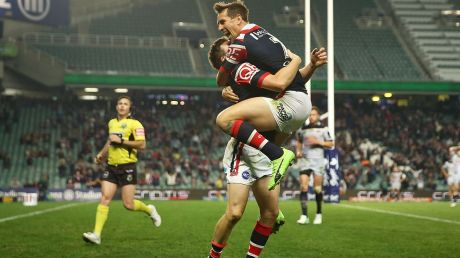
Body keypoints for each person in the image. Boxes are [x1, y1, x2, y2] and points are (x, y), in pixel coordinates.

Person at [208, 37, 326, 257]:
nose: (238, 51)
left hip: (268, 154)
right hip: (245, 152)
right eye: (230, 51)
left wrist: (310, 66)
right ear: (224, 60)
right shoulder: (238, 75)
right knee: (234, 213)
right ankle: (213, 256)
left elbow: (290, 82)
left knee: (270, 215)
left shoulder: (253, 67)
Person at [213, 1, 324, 190]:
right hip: (298, 104)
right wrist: (308, 65)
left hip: (288, 104)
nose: (220, 27)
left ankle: (278, 155)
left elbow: (280, 82)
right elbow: (289, 80)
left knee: (225, 120)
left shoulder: (240, 47)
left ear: (238, 19)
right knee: (263, 163)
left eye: (223, 22)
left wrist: (297, 60)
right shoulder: (261, 34)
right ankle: (271, 210)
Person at [83, 96, 161, 245]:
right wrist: (101, 154)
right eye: (119, 103)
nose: (122, 106)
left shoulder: (135, 124)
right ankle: (96, 235)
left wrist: (122, 141)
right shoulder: (112, 123)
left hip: (128, 167)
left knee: (128, 204)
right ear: (116, 106)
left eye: (125, 104)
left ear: (130, 108)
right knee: (105, 198)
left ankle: (150, 210)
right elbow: (110, 141)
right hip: (111, 167)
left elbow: (142, 145)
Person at [295, 107, 334, 225]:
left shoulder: (323, 129)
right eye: (310, 115)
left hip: (318, 161)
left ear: (318, 116)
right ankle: (304, 215)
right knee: (303, 187)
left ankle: (318, 214)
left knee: (317, 189)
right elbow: (299, 141)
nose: (311, 117)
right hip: (305, 161)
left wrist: (319, 142)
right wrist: (298, 151)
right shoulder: (302, 129)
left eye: (314, 115)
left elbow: (331, 143)